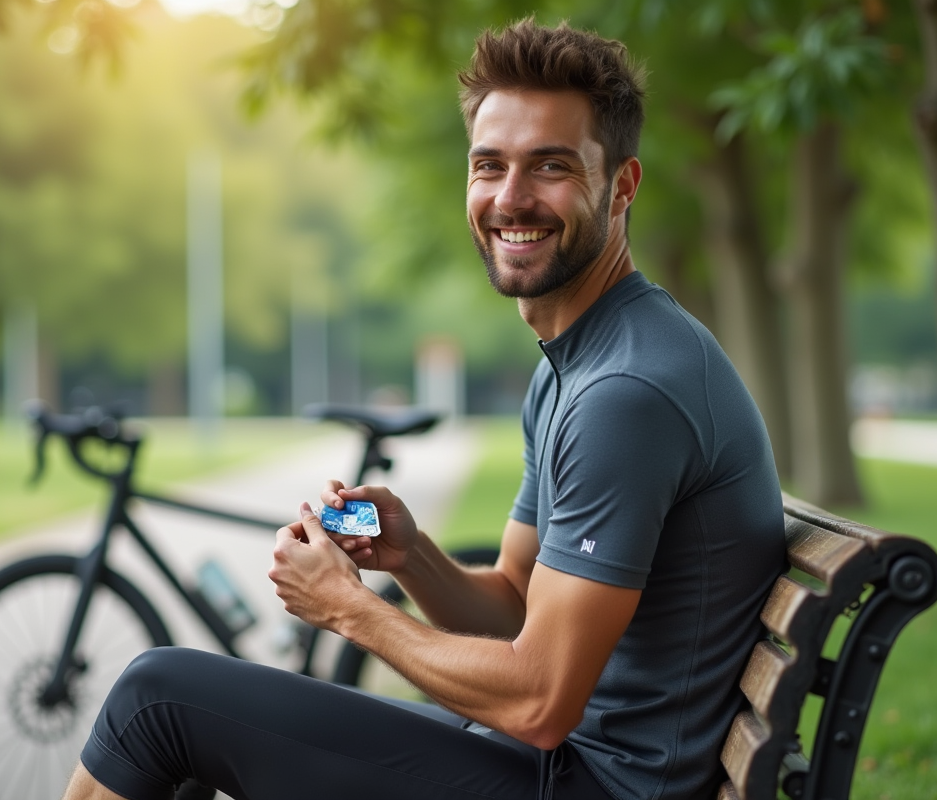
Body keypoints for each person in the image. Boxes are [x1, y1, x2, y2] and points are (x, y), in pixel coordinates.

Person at [61, 19, 786, 800]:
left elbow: (540, 702)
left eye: (550, 166)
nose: (511, 197)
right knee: (176, 710)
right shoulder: (580, 366)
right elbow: (516, 604)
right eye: (489, 165)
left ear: (623, 185)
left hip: (591, 782)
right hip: (564, 767)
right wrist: (413, 557)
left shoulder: (625, 393)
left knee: (156, 701)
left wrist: (349, 609)